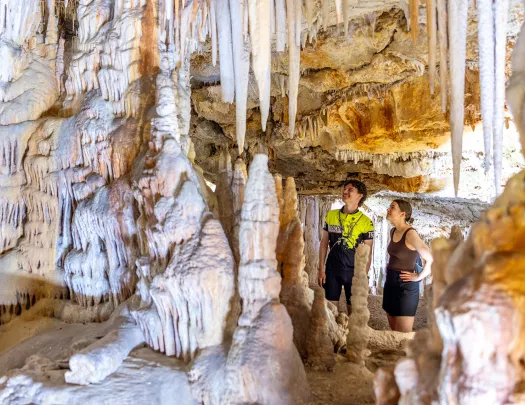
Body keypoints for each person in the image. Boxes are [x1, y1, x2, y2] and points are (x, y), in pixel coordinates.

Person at [318, 180, 374, 314]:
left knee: (354, 315)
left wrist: (363, 277)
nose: (345, 192)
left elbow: (368, 253)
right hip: (332, 270)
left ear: (360, 196)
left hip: (354, 272)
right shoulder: (331, 215)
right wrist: (321, 269)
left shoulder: (366, 222)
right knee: (330, 314)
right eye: (345, 189)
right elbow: (324, 243)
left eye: (350, 190)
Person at [383, 199, 433, 333]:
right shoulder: (393, 231)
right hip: (391, 282)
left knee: (403, 334)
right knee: (394, 332)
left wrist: (418, 277)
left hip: (405, 285)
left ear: (402, 214)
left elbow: (431, 258)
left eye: (392, 207)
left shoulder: (410, 234)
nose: (388, 209)